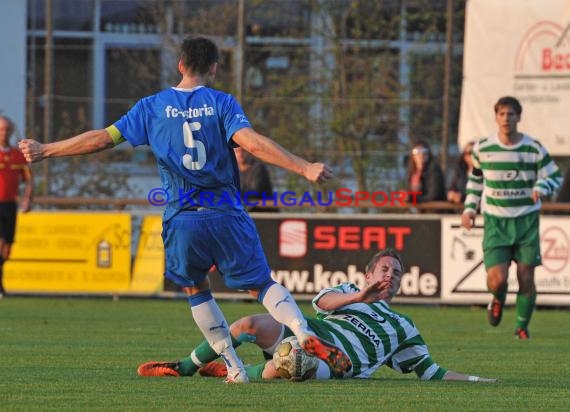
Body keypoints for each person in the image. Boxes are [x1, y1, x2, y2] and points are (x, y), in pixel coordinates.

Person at [18, 36, 351, 383]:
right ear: (213, 67)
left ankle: (235, 369)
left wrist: (46, 150)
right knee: (261, 285)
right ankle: (302, 333)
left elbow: (102, 138)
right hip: (225, 211)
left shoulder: (152, 106)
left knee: (195, 288)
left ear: (180, 65)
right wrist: (304, 167)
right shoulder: (221, 102)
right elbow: (251, 143)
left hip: (182, 216)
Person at [137, 249, 496, 383]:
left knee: (294, 362)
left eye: (396, 273)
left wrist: (479, 380)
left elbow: (431, 372)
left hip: (336, 365)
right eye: (384, 269)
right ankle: (184, 367)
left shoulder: (403, 326)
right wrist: (360, 296)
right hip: (310, 332)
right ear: (368, 275)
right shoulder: (348, 290)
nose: (390, 275)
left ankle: (233, 370)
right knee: (246, 325)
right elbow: (320, 305)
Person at [461, 96, 562, 340]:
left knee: (526, 276)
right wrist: (469, 208)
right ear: (496, 117)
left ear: (519, 117)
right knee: (497, 280)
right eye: (502, 114)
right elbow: (476, 180)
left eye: (511, 114)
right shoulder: (483, 148)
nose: (507, 119)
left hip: (526, 221)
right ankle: (497, 297)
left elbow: (555, 176)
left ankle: (521, 327)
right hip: (496, 221)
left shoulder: (533, 148)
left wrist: (542, 186)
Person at [0, 115, 33, 297]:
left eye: (7, 129)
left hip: (10, 204)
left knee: (8, 246)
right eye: (1, 129)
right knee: (1, 242)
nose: (4, 133)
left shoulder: (17, 156)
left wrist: (27, 199)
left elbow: (29, 180)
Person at [234, 146, 277, 212]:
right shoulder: (233, 170)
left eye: (243, 151)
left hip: (264, 212)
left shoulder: (258, 168)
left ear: (248, 152)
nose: (240, 154)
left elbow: (253, 193)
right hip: (245, 211)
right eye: (237, 151)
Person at [407, 140, 446, 204]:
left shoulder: (434, 169)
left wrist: (413, 198)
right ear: (413, 155)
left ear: (428, 154)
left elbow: (433, 195)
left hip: (435, 210)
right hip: (419, 209)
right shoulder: (412, 171)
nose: (421, 155)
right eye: (417, 151)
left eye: (424, 151)